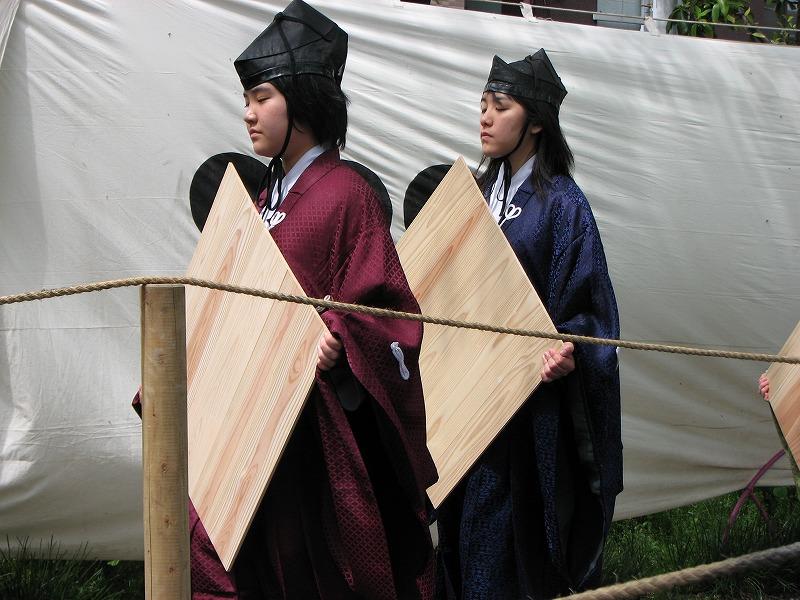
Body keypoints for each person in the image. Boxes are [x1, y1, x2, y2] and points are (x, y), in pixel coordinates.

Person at [181, 2, 438, 597]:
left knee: (307, 567)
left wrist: (341, 338)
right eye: (247, 99)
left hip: (310, 430)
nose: (248, 113)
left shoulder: (348, 194)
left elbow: (389, 311)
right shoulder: (264, 197)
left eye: (261, 97)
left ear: (300, 100)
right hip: (247, 416)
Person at [435, 51, 622, 599]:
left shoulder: (563, 204)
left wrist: (569, 350)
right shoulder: (474, 195)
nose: (486, 117)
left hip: (521, 405)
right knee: (458, 527)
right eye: (483, 105)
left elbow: (591, 312)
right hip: (464, 394)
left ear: (536, 121)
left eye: (501, 106)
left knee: (502, 536)